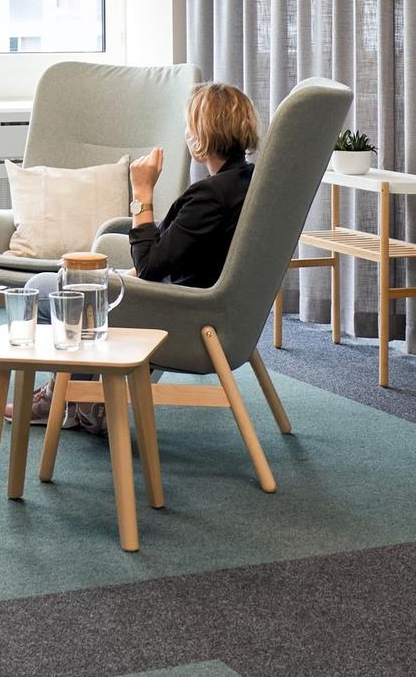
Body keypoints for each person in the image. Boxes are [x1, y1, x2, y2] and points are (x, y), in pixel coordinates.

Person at [17, 81, 261, 433]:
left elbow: (149, 267)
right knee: (78, 284)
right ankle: (81, 399)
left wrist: (142, 192)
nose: (186, 133)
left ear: (201, 135)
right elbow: (182, 253)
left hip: (178, 316)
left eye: (189, 126)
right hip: (211, 310)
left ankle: (67, 398)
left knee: (43, 288)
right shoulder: (248, 183)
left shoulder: (210, 196)